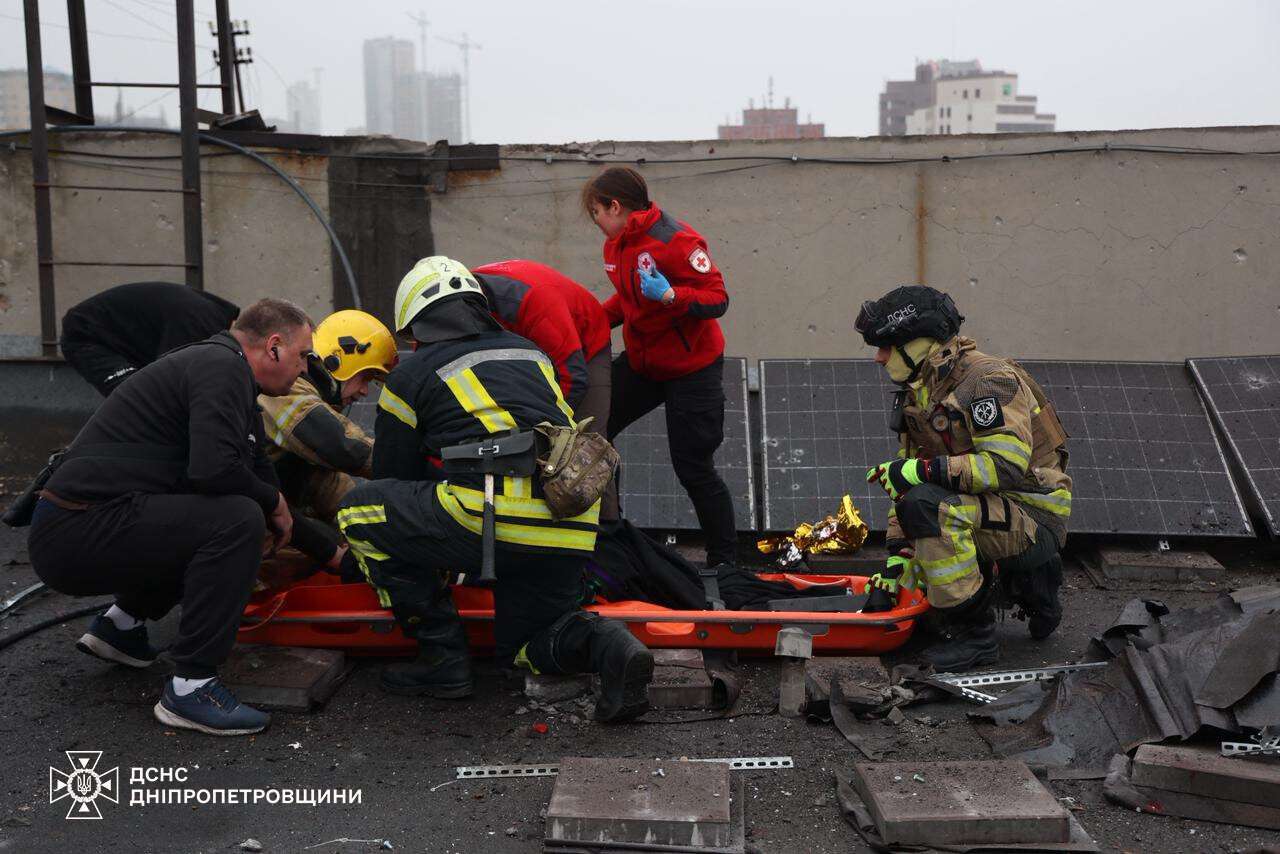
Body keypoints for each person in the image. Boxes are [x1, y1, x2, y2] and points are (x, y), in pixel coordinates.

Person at [336, 256, 653, 722]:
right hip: (570, 522)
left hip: (491, 519)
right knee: (526, 645)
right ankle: (610, 646)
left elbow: (394, 477)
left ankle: (442, 660)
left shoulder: (411, 375)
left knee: (359, 511)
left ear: (418, 325)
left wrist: (429, 553)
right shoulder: (531, 353)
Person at [28, 299, 315, 736]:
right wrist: (269, 501)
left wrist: (331, 552)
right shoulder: (220, 367)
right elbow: (214, 470)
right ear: (274, 346)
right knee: (236, 519)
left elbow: (260, 478)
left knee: (221, 514)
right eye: (304, 355)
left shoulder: (230, 377)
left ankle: (120, 627)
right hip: (75, 530)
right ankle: (191, 687)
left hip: (78, 527)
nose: (306, 369)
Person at [856, 285, 1072, 671]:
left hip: (1033, 516)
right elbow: (906, 486)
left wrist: (923, 471)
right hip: (987, 511)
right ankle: (1031, 581)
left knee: (931, 510)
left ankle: (975, 637)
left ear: (920, 343)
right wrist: (898, 559)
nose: (879, 357)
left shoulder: (987, 381)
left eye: (887, 346)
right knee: (922, 529)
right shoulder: (920, 393)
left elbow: (1005, 466)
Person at [581, 166, 737, 568]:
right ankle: (611, 536)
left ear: (615, 207)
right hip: (644, 362)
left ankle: (724, 563)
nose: (595, 221)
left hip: (692, 368)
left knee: (693, 466)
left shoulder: (675, 241)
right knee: (594, 432)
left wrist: (671, 296)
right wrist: (591, 322)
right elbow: (627, 299)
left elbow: (718, 298)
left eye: (596, 212)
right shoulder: (616, 245)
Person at [471, 259, 618, 519]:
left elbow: (573, 377)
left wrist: (544, 428)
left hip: (583, 347)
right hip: (526, 345)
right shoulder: (452, 306)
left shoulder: (536, 303)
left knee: (585, 448)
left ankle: (606, 531)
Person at [258, 309, 396, 574]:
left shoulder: (306, 394)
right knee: (320, 554)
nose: (364, 391)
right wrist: (409, 464)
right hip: (246, 527)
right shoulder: (286, 391)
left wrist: (372, 524)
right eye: (365, 377)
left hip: (267, 514)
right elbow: (341, 446)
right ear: (337, 362)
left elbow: (328, 483)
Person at [59, 281, 240, 396]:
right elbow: (171, 380)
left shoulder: (218, 319)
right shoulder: (199, 325)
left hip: (127, 339)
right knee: (140, 399)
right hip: (87, 335)